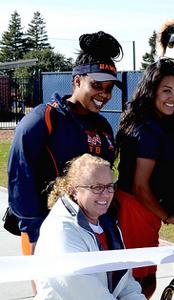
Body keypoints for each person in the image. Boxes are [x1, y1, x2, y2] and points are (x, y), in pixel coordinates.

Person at [7, 31, 121, 270]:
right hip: (49, 230)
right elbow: (20, 179)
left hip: (96, 229)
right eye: (97, 85)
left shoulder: (102, 126)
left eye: (109, 88)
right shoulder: (43, 118)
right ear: (77, 80)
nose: (104, 94)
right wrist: (35, 233)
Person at [115, 58, 174, 298]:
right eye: (166, 90)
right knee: (139, 283)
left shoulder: (158, 123)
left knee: (144, 280)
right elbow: (139, 186)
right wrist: (166, 215)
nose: (173, 97)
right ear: (152, 91)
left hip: (143, 211)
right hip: (135, 211)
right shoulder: (148, 129)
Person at [34, 154, 145, 300]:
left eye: (109, 186)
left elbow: (126, 282)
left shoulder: (108, 225)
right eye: (97, 187)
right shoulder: (60, 229)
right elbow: (79, 284)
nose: (105, 194)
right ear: (74, 190)